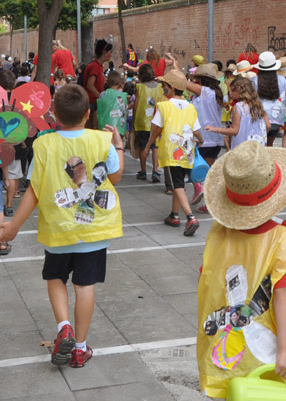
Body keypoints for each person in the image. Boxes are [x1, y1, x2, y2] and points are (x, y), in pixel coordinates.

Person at [0, 84, 124, 368]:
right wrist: (116, 142)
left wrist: (13, 226)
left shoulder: (43, 143)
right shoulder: (102, 140)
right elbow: (115, 177)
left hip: (58, 230)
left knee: (55, 278)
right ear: (88, 113)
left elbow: (33, 190)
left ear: (54, 113)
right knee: (85, 285)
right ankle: (80, 348)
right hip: (94, 231)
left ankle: (63, 326)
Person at [196, 141, 286, 396]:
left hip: (218, 351)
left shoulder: (218, 234)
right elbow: (283, 296)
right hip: (263, 356)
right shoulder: (284, 241)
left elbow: (209, 281)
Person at [143, 69, 204, 237]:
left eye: (164, 85)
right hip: (187, 150)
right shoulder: (191, 107)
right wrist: (200, 140)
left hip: (171, 151)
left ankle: (190, 217)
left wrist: (148, 145)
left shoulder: (164, 106)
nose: (163, 88)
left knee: (177, 185)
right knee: (180, 184)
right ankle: (174, 215)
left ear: (170, 87)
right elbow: (197, 131)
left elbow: (157, 130)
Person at [185, 63, 226, 213]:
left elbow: (183, 83)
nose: (194, 81)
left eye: (196, 79)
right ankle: (209, 204)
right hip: (214, 139)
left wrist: (174, 71)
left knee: (189, 166)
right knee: (207, 174)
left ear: (201, 79)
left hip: (202, 138)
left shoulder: (205, 92)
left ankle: (197, 188)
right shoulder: (216, 92)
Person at [206, 76, 269, 149]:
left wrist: (215, 129)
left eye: (233, 91)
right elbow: (268, 125)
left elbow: (235, 130)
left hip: (242, 147)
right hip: (258, 146)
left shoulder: (238, 107)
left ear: (241, 91)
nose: (230, 93)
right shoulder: (258, 105)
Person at [133, 64, 164, 184]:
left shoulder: (139, 87)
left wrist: (134, 118)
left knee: (142, 146)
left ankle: (143, 171)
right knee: (155, 147)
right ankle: (155, 170)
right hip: (156, 121)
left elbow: (136, 105)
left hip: (142, 121)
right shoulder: (160, 87)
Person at [253, 52, 286, 147]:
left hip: (259, 119)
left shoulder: (254, 81)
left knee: (259, 146)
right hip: (277, 120)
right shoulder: (282, 80)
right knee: (269, 145)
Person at [83, 39, 114, 129]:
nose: (111, 55)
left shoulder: (99, 66)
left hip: (94, 101)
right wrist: (101, 97)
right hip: (91, 102)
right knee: (92, 128)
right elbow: (90, 85)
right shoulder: (95, 66)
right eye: (110, 52)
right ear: (104, 52)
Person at [96, 70, 128, 138]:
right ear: (120, 82)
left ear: (107, 82)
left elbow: (100, 110)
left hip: (105, 126)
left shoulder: (103, 94)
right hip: (119, 128)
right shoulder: (123, 96)